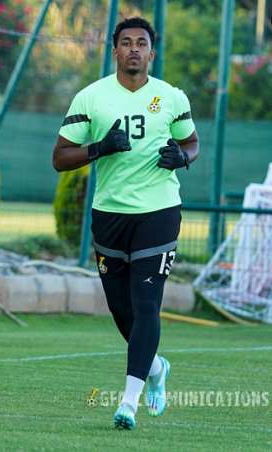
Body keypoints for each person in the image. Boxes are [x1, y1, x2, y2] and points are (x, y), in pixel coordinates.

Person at [52, 17, 199, 430]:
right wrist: (99, 148)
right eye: (126, 42)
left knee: (147, 303)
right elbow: (60, 157)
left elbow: (191, 141)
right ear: (114, 51)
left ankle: (128, 403)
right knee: (121, 309)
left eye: (142, 43)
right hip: (110, 214)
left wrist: (183, 157)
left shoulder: (171, 97)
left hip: (159, 211)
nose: (134, 48)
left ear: (152, 53)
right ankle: (155, 368)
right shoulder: (91, 98)